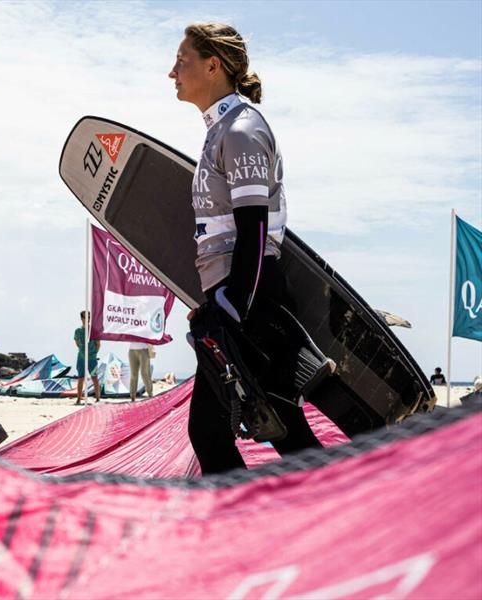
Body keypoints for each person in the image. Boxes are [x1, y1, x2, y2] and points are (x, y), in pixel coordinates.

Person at [169, 22, 322, 475]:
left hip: (252, 298)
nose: (172, 72)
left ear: (213, 65)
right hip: (236, 295)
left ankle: (338, 524)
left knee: (268, 431)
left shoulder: (241, 129)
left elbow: (253, 230)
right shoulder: (221, 130)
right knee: (248, 430)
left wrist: (231, 304)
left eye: (182, 60)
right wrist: (213, 301)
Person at [74, 311, 100, 404]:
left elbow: (98, 344)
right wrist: (83, 351)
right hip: (81, 358)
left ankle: (97, 398)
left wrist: (93, 353)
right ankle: (78, 398)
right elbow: (77, 343)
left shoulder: (94, 330)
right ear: (81, 319)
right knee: (81, 378)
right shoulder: (78, 331)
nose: (87, 319)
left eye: (88, 317)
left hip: (92, 359)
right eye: (85, 317)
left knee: (94, 377)